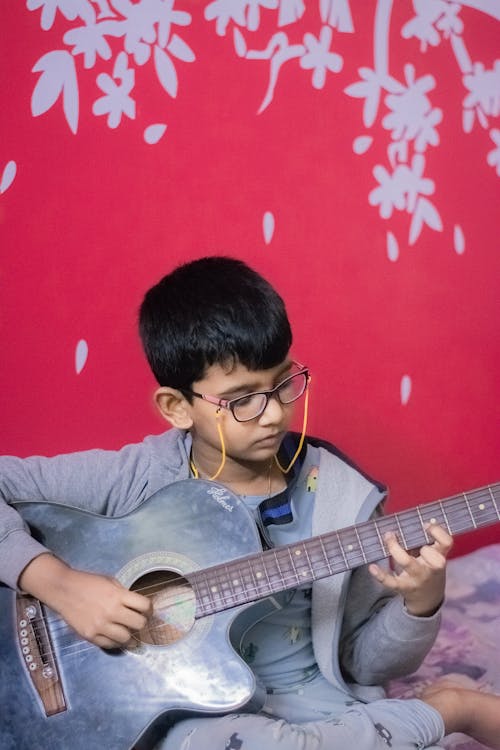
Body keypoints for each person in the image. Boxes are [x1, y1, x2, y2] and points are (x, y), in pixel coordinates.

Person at [0, 256, 499, 750]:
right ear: (176, 408)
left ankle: (454, 708)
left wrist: (421, 601)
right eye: (242, 400)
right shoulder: (136, 477)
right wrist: (59, 584)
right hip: (201, 717)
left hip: (320, 710)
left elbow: (364, 663)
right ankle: (442, 713)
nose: (274, 414)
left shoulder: (343, 499)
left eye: (284, 383)